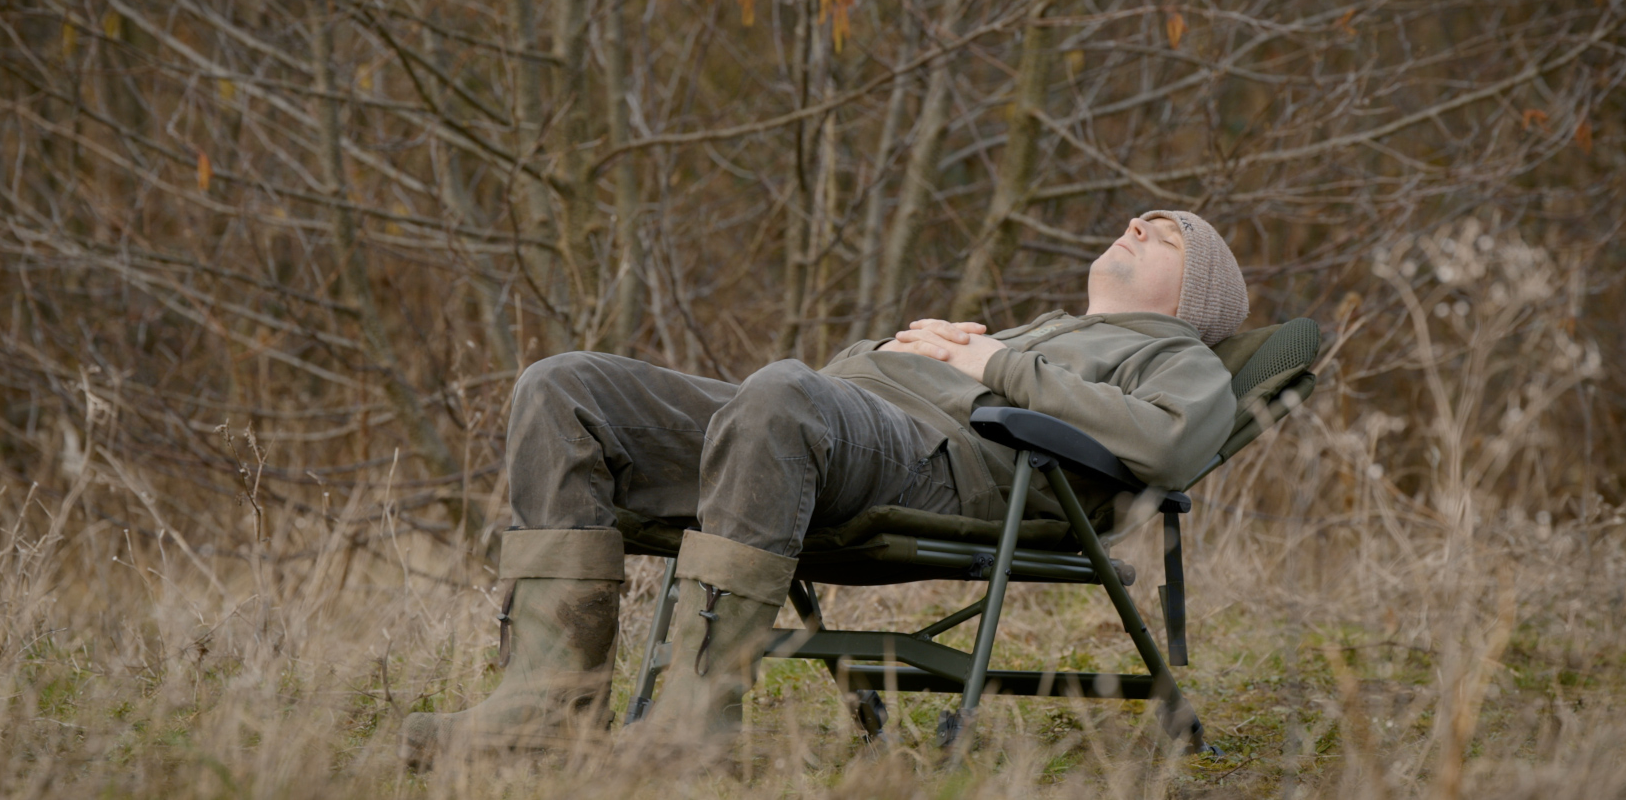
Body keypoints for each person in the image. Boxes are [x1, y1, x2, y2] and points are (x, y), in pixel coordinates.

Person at [401, 209, 1248, 763]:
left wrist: (993, 361)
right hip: (818, 431)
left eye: (1166, 234)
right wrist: (913, 352)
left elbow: (1170, 444)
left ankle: (701, 720)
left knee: (782, 389)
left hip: (936, 468)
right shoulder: (1052, 329)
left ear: (1190, 295)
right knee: (563, 384)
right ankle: (546, 701)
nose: (1138, 222)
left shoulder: (1180, 358)